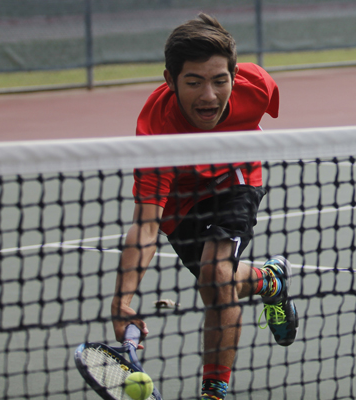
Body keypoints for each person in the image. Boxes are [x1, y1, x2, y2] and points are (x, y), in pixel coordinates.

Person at [110, 13, 298, 400]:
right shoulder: (156, 135)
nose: (209, 96)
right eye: (194, 82)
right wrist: (122, 301)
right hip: (181, 201)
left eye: (219, 81)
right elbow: (146, 225)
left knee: (214, 277)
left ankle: (213, 393)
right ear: (170, 80)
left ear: (233, 76)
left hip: (236, 175)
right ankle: (270, 280)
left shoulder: (258, 86)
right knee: (219, 282)